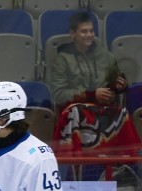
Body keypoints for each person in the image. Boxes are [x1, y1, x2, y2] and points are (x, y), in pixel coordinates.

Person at [50, 11, 141, 174]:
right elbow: (59, 94)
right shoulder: (61, 60)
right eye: (84, 31)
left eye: (91, 31)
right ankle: (74, 174)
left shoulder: (105, 56)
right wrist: (91, 95)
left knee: (123, 114)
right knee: (76, 113)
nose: (89, 35)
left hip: (103, 111)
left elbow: (116, 81)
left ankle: (129, 171)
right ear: (72, 34)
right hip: (75, 113)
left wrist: (120, 86)